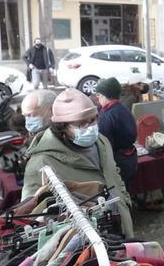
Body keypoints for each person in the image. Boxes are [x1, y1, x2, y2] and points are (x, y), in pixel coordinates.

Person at [22, 89, 134, 236]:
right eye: (81, 124)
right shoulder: (42, 162)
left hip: (122, 225)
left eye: (93, 120)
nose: (90, 128)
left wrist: (125, 202)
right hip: (87, 243)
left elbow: (114, 173)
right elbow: (30, 212)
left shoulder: (102, 142)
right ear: (62, 127)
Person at [95, 78, 139, 190]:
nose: (97, 98)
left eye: (99, 95)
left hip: (119, 161)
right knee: (127, 190)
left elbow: (105, 146)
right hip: (130, 158)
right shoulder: (123, 109)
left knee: (119, 193)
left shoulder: (107, 116)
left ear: (105, 95)